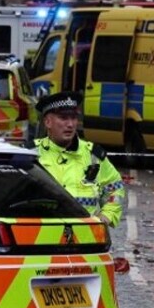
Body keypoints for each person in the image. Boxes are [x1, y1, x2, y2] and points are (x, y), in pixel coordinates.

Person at [34, 92, 123, 226]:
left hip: (85, 239)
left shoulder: (94, 155)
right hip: (40, 237)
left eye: (74, 118)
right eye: (63, 118)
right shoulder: (31, 154)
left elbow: (115, 188)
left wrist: (107, 215)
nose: (70, 124)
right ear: (48, 122)